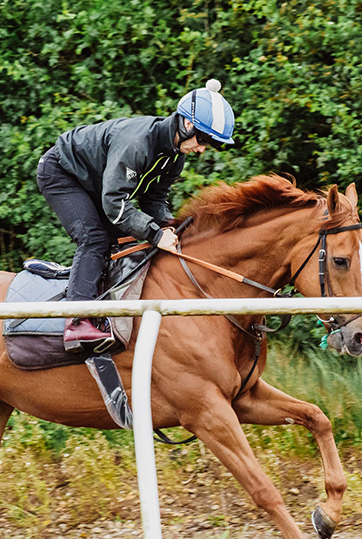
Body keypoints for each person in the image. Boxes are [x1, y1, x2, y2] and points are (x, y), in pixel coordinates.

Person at [36, 79, 236, 353]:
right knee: (95, 239)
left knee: (132, 241)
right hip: (62, 173)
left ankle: (108, 310)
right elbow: (114, 202)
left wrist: (169, 229)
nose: (202, 149)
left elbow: (153, 198)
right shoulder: (137, 143)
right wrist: (155, 234)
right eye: (203, 140)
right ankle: (77, 321)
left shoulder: (175, 157)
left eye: (210, 144)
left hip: (100, 184)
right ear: (186, 124)